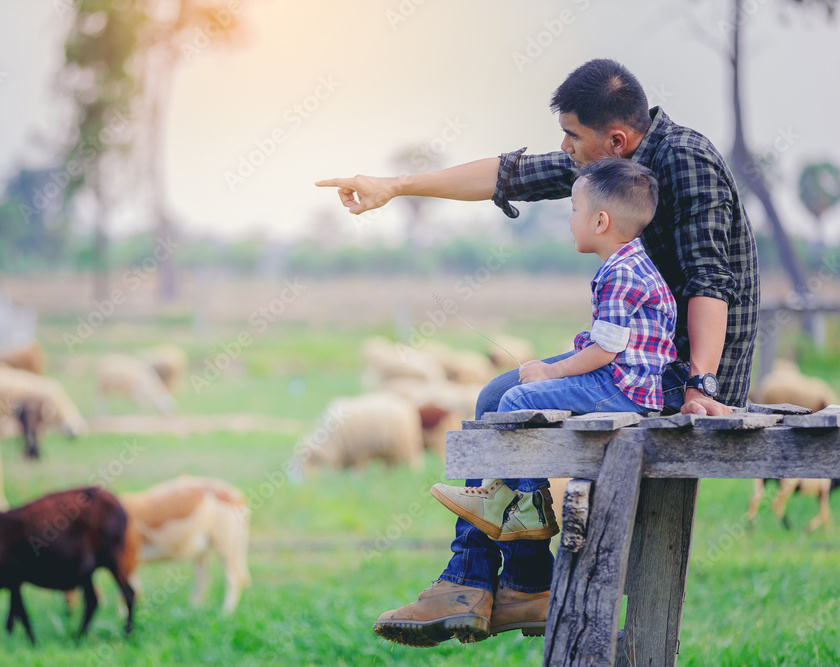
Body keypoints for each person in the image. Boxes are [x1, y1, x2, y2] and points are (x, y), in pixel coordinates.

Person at [316, 58, 759, 648]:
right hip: (637, 357)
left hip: (686, 371)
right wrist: (394, 187)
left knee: (511, 396)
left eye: (573, 136)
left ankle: (496, 581)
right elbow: (509, 174)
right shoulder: (614, 166)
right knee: (497, 393)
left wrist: (702, 385)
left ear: (616, 140)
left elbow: (710, 280)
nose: (565, 149)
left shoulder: (685, 159)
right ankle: (494, 582)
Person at [431, 158, 676, 552]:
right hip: (629, 383)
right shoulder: (634, 263)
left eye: (574, 210)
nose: (569, 220)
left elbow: (606, 350)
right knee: (519, 398)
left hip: (621, 387)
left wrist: (552, 371)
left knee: (516, 398)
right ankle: (503, 496)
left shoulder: (620, 274)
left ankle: (530, 503)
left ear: (600, 222)